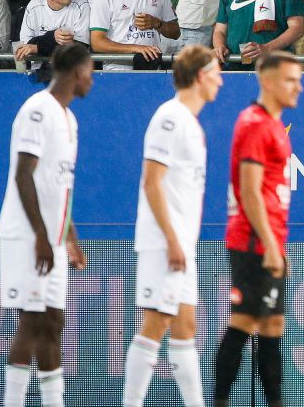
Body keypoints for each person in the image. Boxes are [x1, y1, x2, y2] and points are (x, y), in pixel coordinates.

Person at [121, 44, 220, 407]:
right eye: (215, 74)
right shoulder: (170, 117)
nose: (220, 82)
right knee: (156, 323)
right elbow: (151, 182)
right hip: (164, 242)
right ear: (199, 76)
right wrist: (172, 240)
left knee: (185, 328)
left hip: (179, 243)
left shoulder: (190, 124)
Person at [0, 41, 94, 407]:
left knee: (54, 322)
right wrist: (40, 234)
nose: (93, 79)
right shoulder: (37, 109)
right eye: (91, 70)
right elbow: (24, 175)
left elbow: (60, 183)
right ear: (76, 71)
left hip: (51, 236)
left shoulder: (69, 118)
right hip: (26, 234)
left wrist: (69, 234)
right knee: (33, 321)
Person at [212, 51, 303, 407]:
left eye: (299, 80)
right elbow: (249, 191)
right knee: (245, 321)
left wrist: (277, 246)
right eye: (290, 80)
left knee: (272, 327)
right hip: (252, 242)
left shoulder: (272, 125)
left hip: (268, 240)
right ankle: (220, 400)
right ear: (267, 80)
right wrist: (268, 244)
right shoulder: (254, 123)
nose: (298, 87)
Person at [14, 0, 90, 74]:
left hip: (71, 73)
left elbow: (81, 46)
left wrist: (37, 48)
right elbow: (26, 46)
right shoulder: (34, 5)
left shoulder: (81, 3)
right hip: (38, 73)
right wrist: (53, 38)